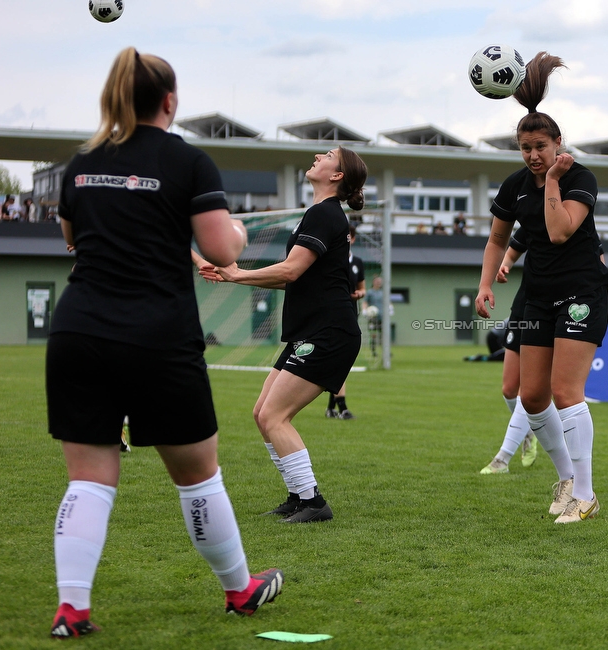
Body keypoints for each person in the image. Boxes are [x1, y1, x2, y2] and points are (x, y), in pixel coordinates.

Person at [46, 47, 282, 639]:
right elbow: (224, 250)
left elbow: (73, 239)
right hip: (157, 336)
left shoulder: (81, 163)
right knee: (198, 476)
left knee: (88, 478)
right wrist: (227, 226)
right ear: (170, 102)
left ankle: (72, 609)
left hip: (79, 329)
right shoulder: (189, 162)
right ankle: (239, 590)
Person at [475, 51, 608, 524]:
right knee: (530, 396)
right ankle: (566, 481)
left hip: (581, 293)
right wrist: (484, 287)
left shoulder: (578, 177)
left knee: (565, 392)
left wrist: (553, 180)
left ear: (558, 143)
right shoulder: (513, 185)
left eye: (541, 146)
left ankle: (587, 494)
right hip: (536, 297)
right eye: (525, 147)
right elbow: (497, 238)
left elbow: (558, 231)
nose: (534, 156)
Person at [199, 146, 367, 525]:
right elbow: (296, 276)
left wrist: (238, 275)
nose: (318, 157)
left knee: (275, 415)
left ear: (336, 175)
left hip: (329, 332)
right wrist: (238, 274)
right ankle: (297, 495)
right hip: (313, 330)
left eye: (327, 155)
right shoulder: (316, 214)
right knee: (262, 414)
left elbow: (290, 271)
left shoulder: (325, 214)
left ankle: (313, 501)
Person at [479, 227, 537, 475]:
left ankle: (502, 459)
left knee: (528, 393)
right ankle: (530, 431)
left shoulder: (576, 220)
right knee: (509, 389)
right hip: (523, 305)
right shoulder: (532, 218)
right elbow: (512, 250)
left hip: (549, 309)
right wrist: (505, 266)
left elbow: (597, 258)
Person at [326, 225, 365, 420]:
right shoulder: (331, 259)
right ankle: (342, 408)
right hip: (333, 315)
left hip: (352, 313)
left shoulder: (357, 262)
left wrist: (359, 294)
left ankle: (331, 408)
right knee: (339, 361)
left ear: (354, 239)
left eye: (350, 236)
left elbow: (362, 288)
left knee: (340, 361)